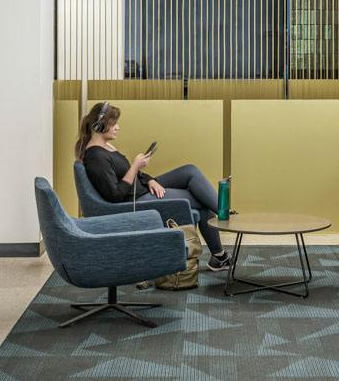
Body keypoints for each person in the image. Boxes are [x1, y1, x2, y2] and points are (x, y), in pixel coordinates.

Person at [75, 102, 233, 272]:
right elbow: (116, 194)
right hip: (134, 199)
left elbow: (128, 175)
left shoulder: (106, 148)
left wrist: (149, 179)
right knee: (200, 201)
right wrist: (135, 166)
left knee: (190, 171)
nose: (118, 127)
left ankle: (224, 219)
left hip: (141, 188)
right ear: (99, 125)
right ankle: (225, 227)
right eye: (114, 123)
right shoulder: (96, 157)